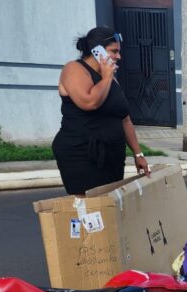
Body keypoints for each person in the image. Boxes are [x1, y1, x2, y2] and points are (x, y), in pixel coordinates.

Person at [52, 26, 150, 197]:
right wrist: (106, 78)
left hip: (112, 155)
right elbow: (89, 102)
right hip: (82, 154)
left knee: (109, 208)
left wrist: (138, 153)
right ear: (97, 50)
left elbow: (125, 119)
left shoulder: (111, 78)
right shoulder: (74, 69)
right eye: (114, 51)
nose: (118, 56)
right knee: (90, 211)